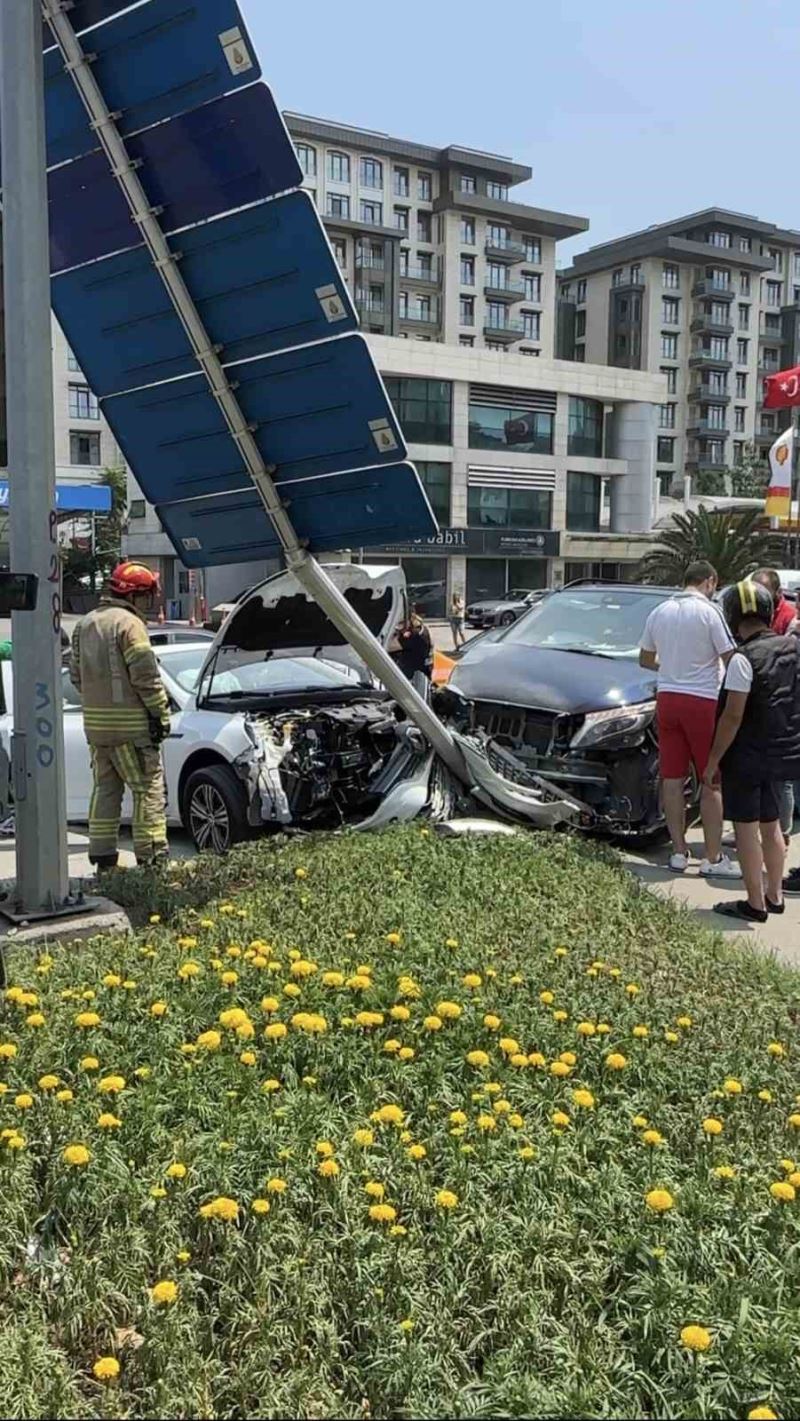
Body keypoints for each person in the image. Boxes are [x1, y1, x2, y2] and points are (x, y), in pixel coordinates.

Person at [703, 580, 800, 922]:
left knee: (746, 828)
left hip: (747, 757)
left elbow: (732, 716)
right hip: (783, 752)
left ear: (732, 617)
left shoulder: (743, 660)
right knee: (772, 824)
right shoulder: (792, 646)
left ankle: (755, 904)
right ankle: (775, 894)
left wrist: (713, 761)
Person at [639, 560, 739, 877]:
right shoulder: (710, 613)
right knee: (710, 777)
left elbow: (645, 658)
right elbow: (730, 658)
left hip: (667, 697)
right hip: (702, 700)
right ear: (709, 582)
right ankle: (712, 857)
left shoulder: (660, 611)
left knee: (672, 777)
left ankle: (679, 852)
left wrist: (672, 668)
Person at [70, 562, 171, 871]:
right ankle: (151, 857)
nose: (149, 603)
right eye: (147, 596)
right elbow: (146, 678)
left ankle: (102, 857)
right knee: (147, 788)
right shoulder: (130, 625)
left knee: (105, 789)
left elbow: (76, 677)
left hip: (96, 731)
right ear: (136, 596)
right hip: (132, 731)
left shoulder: (85, 624)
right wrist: (161, 715)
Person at [752, 568, 795, 635]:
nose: (758, 596)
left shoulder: (790, 616)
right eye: (754, 591)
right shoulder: (748, 611)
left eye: (764, 592)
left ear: (778, 592)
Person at [395, 609, 433, 682]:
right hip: (423, 665)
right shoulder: (422, 628)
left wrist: (400, 635)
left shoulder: (414, 633)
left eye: (401, 622)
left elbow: (397, 645)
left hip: (412, 668)